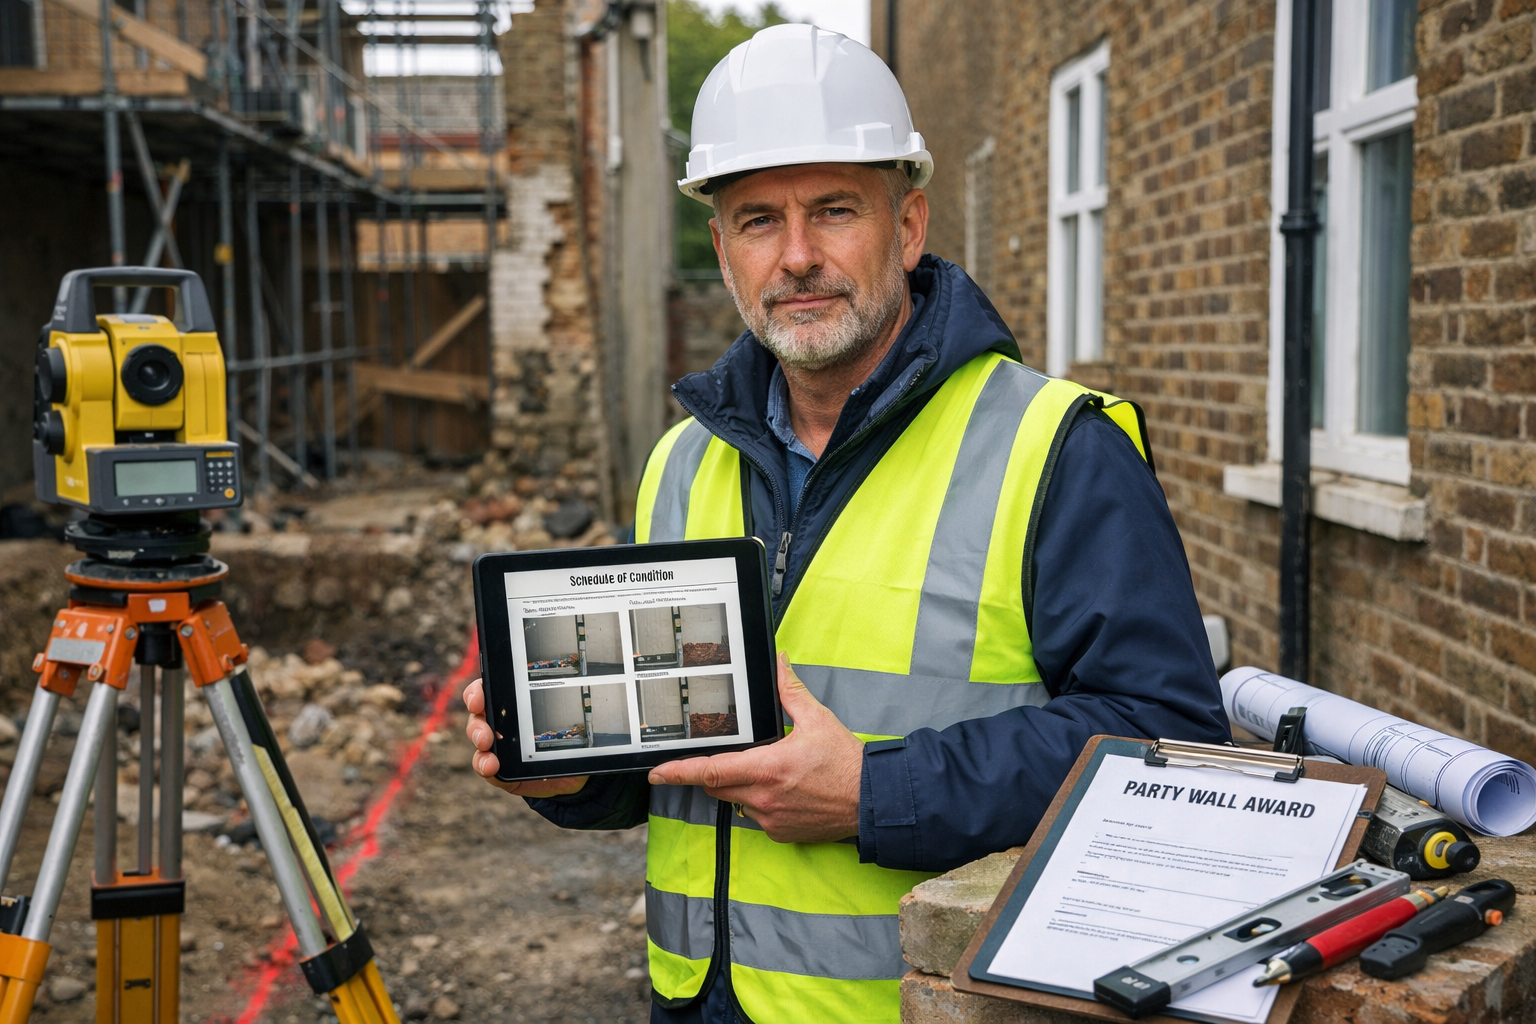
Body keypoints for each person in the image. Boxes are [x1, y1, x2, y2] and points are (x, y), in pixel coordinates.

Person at [464, 22, 1230, 1024]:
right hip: (697, 1005)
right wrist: (568, 775)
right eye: (756, 220)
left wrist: (877, 791)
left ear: (907, 226)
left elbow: (1167, 742)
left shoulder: (1056, 448)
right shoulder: (681, 460)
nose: (797, 257)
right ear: (722, 250)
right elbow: (680, 757)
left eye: (834, 211)